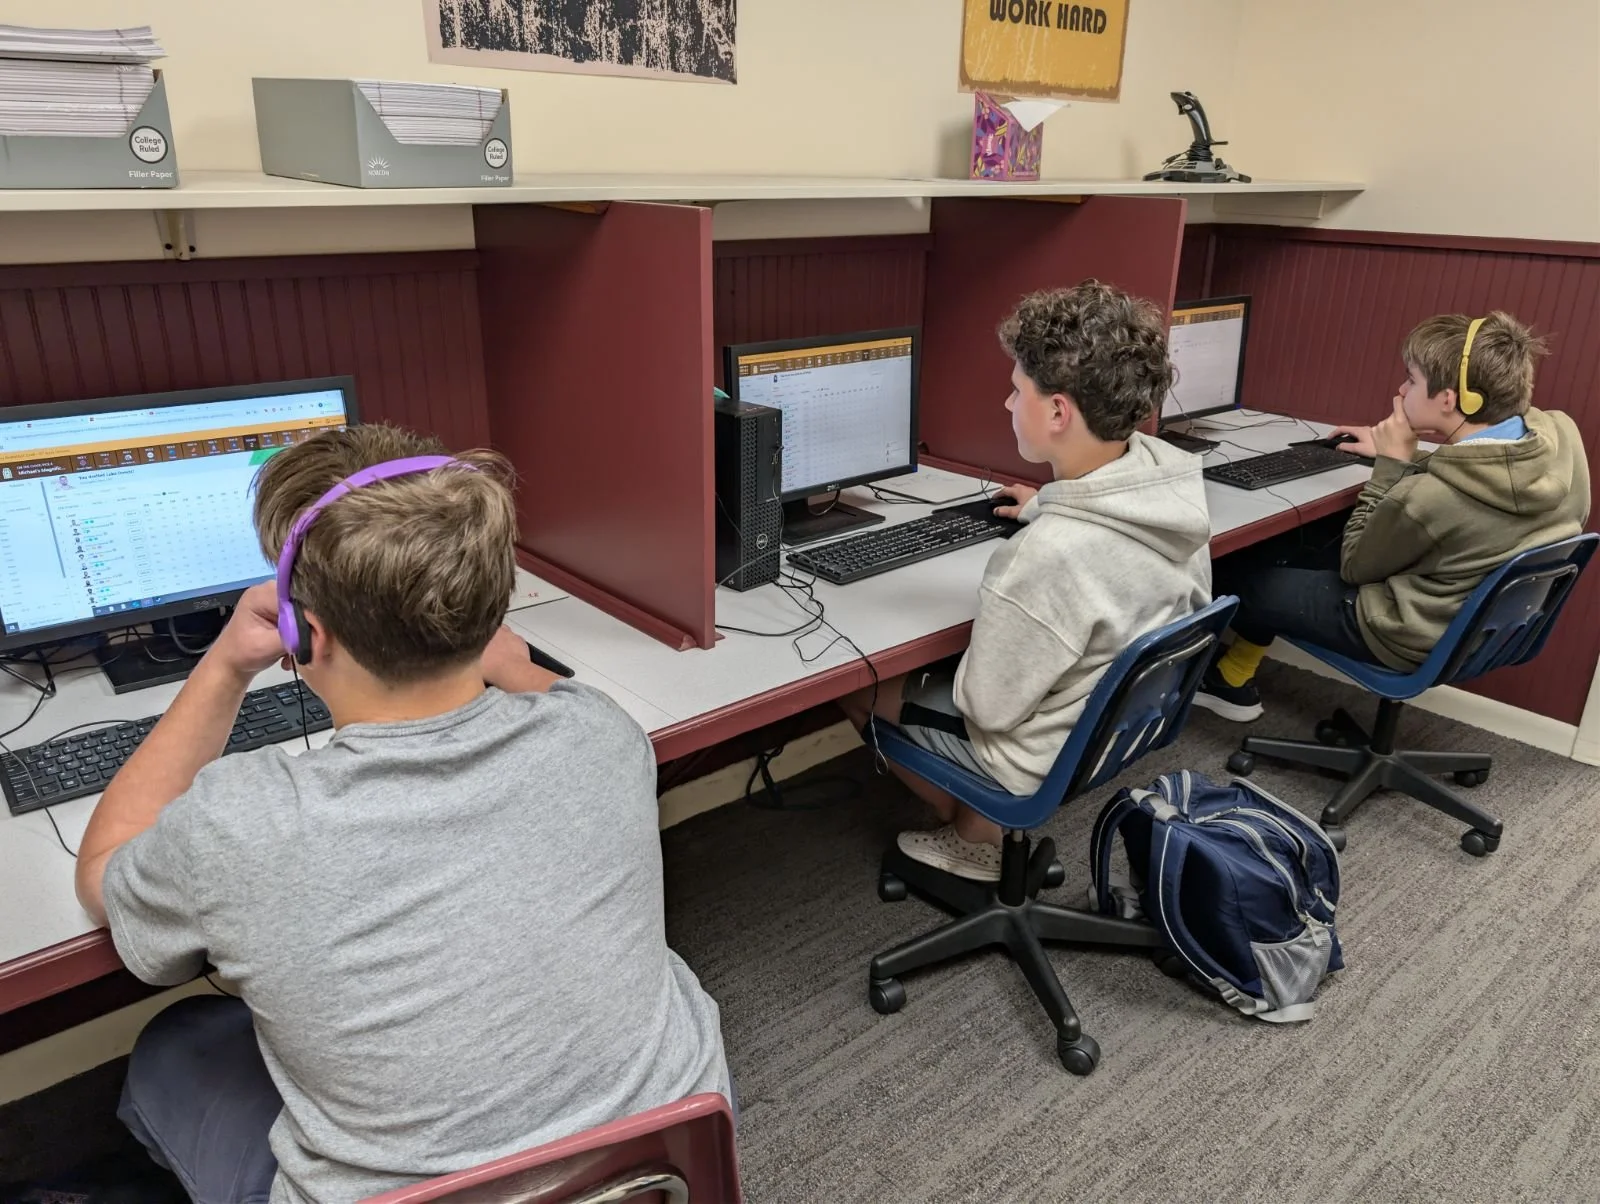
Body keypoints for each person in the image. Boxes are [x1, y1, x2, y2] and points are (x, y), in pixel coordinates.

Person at [74, 424, 732, 1204]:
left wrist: (223, 664)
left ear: (300, 633)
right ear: (490, 613)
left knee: (173, 1046)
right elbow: (540, 686)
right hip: (655, 1170)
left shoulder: (239, 826)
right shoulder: (604, 737)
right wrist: (494, 654)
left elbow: (102, 875)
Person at [839, 281, 1212, 882]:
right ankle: (976, 825)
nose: (1008, 405)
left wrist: (1041, 543)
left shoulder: (1047, 557)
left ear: (1059, 411)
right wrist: (1051, 506)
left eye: (1018, 392)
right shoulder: (1163, 479)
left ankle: (972, 833)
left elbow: (985, 707)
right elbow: (1099, 533)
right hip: (1113, 729)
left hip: (1037, 756)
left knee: (860, 684)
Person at [1197, 310, 1591, 722]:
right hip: (1485, 626)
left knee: (1236, 569)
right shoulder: (1560, 436)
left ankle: (1213, 683)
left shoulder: (1430, 501)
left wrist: (1392, 465)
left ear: (1448, 399)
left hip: (1404, 629)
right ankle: (1233, 674)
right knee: (1301, 545)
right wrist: (1412, 455)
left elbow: (1355, 565)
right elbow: (1478, 470)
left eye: (1412, 380)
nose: (1401, 389)